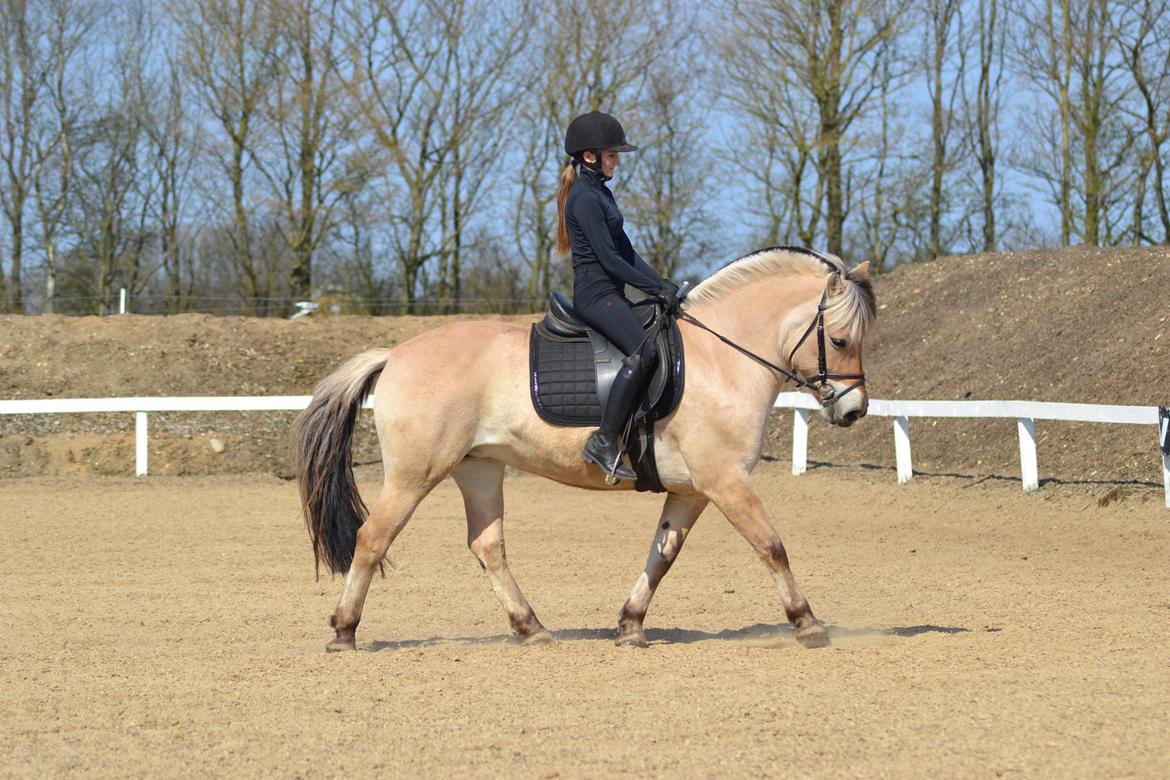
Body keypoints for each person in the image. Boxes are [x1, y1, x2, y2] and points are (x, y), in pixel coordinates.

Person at [555, 111, 679, 481]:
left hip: (611, 292)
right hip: (595, 295)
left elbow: (626, 252)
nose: (617, 162)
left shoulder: (601, 195)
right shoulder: (584, 199)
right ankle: (604, 441)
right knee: (642, 353)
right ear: (589, 156)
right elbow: (609, 260)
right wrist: (653, 289)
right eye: (612, 155)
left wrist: (663, 285)